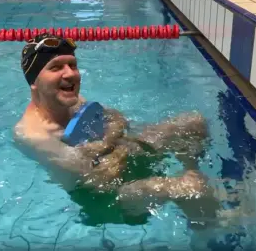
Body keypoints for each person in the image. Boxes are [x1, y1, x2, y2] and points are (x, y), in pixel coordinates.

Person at [13, 33, 234, 229]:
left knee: (193, 123)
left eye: (73, 65)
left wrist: (107, 142)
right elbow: (99, 179)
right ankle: (211, 227)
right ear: (34, 81)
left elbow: (116, 117)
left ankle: (196, 183)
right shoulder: (34, 135)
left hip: (122, 161)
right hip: (106, 201)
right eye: (56, 67)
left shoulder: (69, 99)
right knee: (188, 188)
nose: (71, 74)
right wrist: (113, 146)